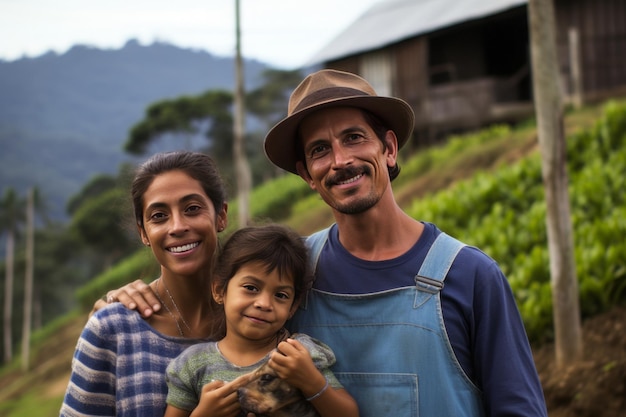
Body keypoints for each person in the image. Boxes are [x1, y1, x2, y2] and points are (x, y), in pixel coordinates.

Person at [98, 70, 548, 417]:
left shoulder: (468, 276)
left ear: (389, 148)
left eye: (354, 138)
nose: (340, 161)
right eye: (319, 150)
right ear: (307, 176)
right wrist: (133, 297)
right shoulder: (292, 271)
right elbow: (224, 331)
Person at [61, 151, 236, 417]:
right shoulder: (112, 331)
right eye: (158, 216)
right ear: (143, 232)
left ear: (220, 215)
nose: (176, 226)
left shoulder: (260, 314)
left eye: (192, 209)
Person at [163, 224, 358, 417]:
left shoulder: (297, 355)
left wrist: (312, 382)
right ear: (219, 289)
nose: (264, 303)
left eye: (280, 295)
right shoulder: (192, 365)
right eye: (251, 288)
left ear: (293, 307)